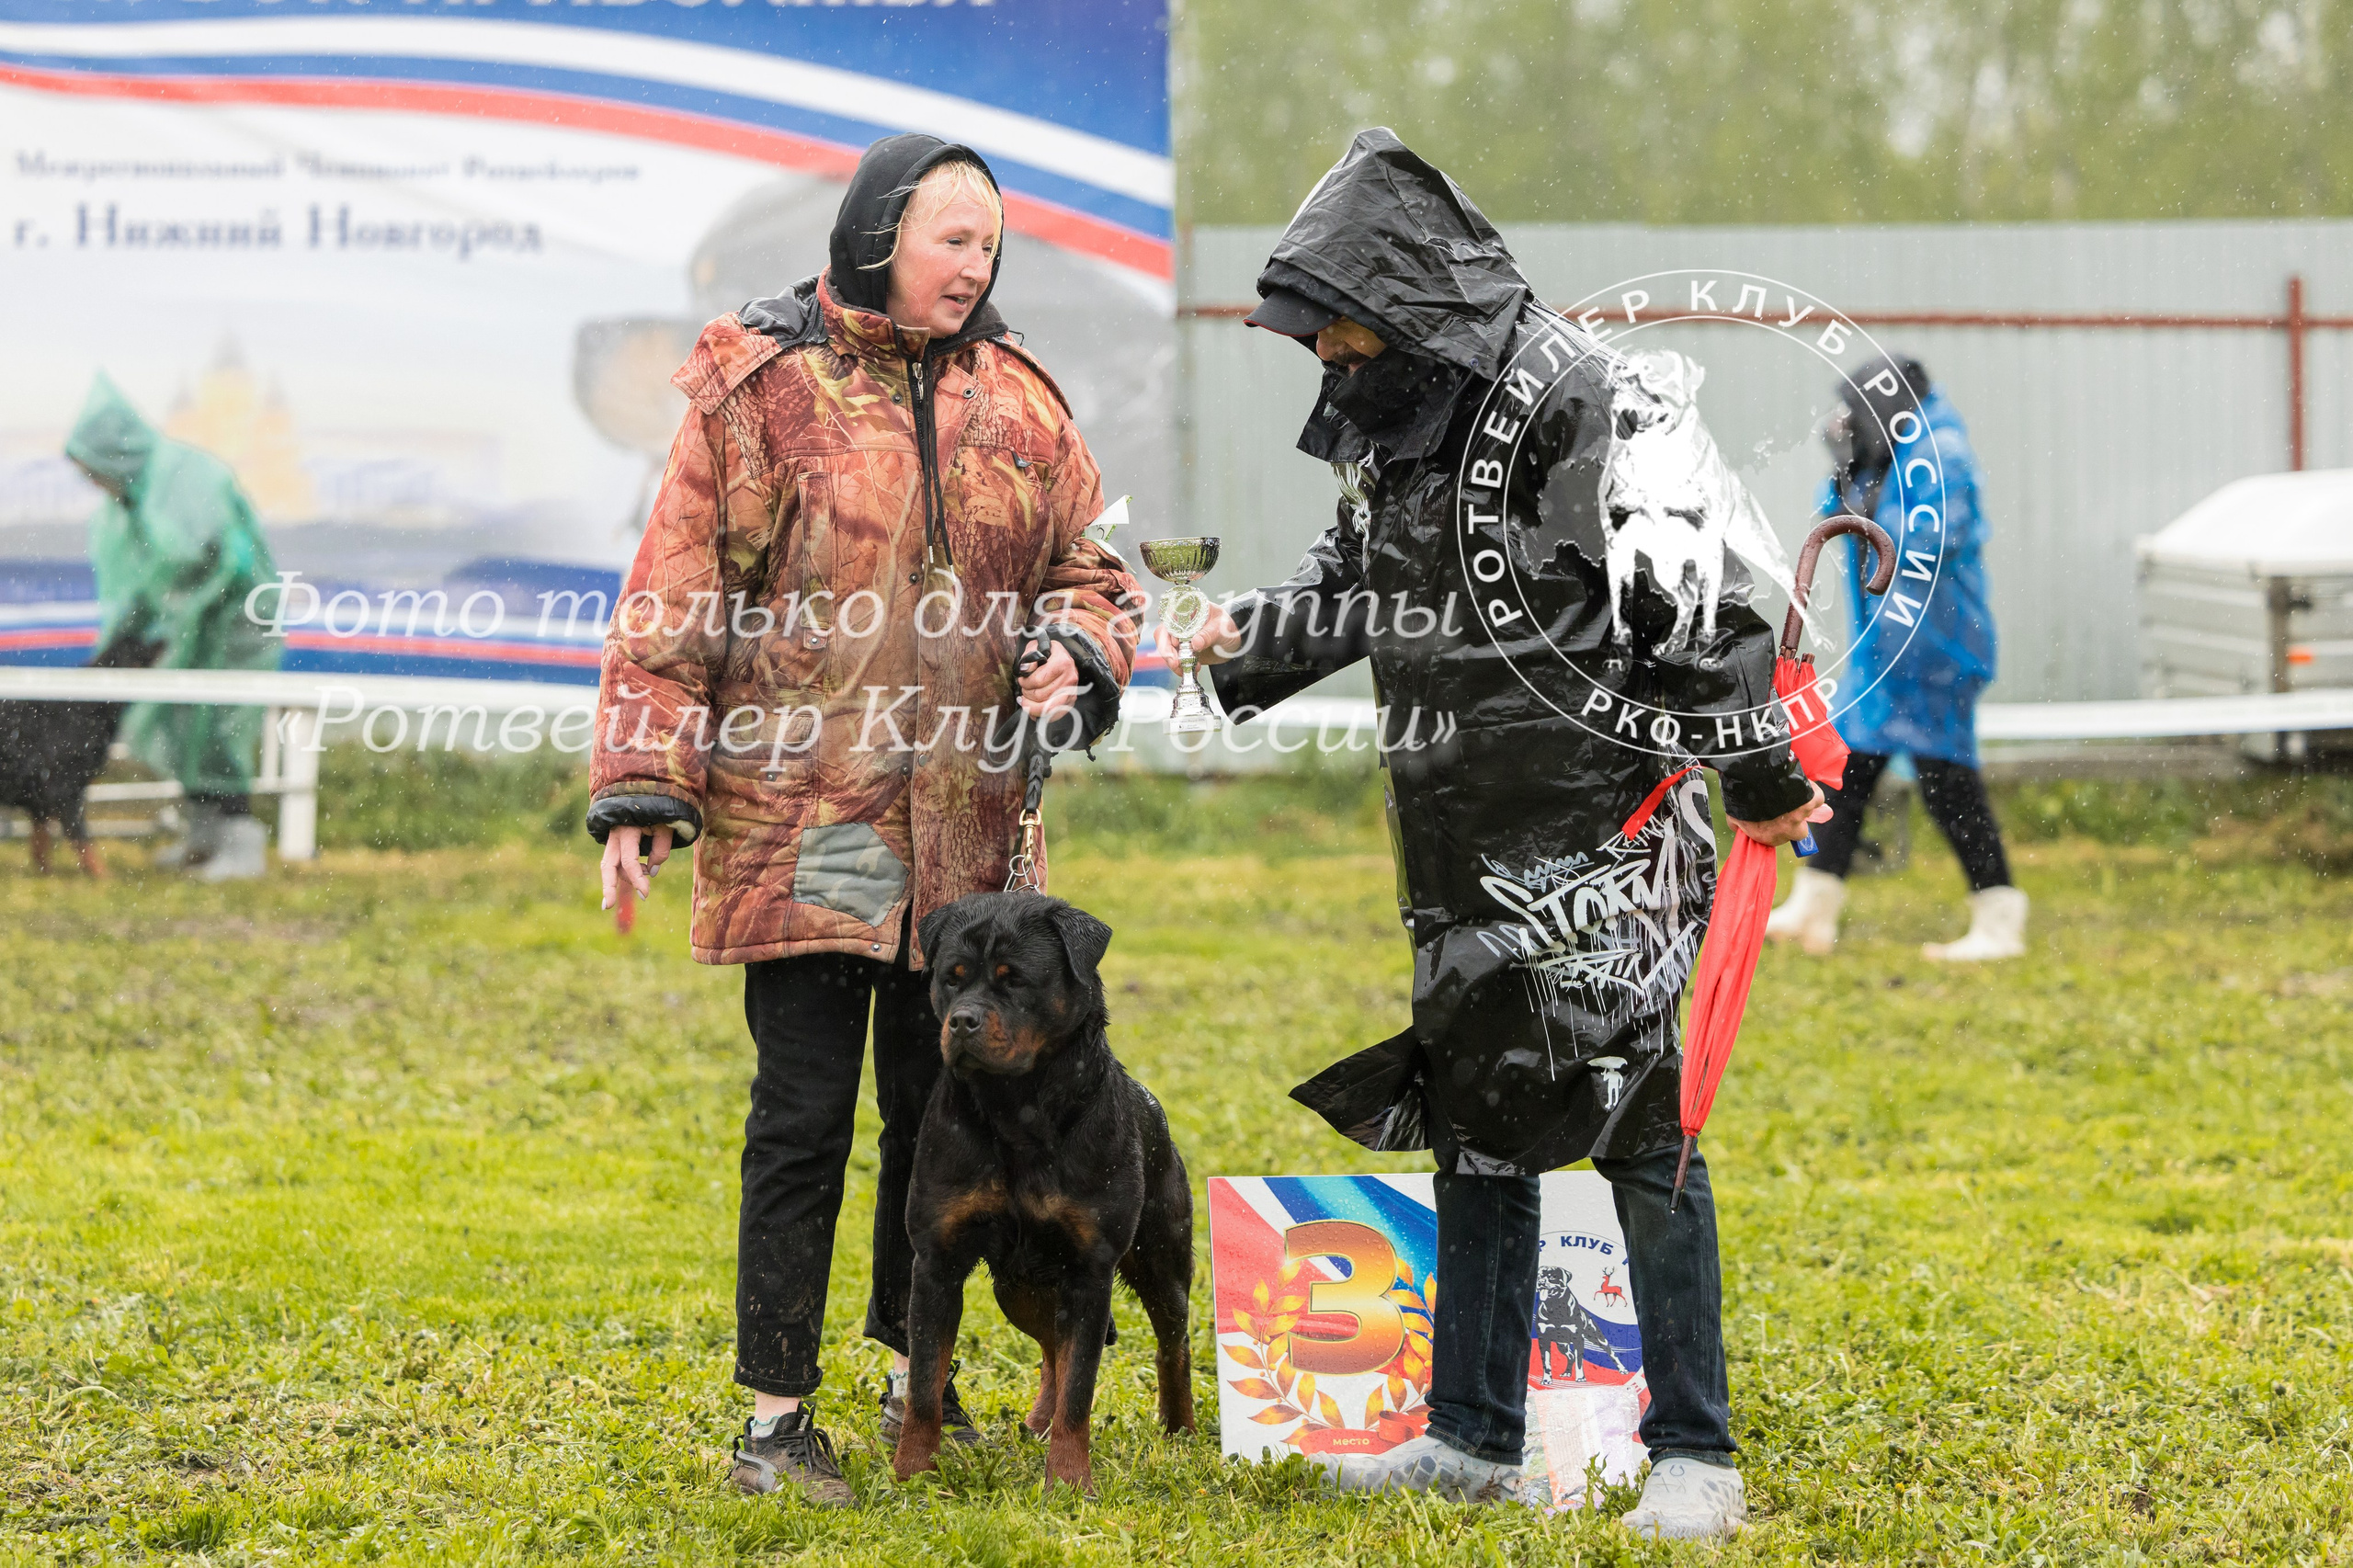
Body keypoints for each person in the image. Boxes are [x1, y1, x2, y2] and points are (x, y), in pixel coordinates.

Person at [1174, 130, 1826, 1542]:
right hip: (1463, 841)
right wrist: (1227, 645)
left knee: (1644, 1139)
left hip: (1615, 835)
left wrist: (1763, 776)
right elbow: (1355, 585)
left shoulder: (1582, 401)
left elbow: (1705, 606)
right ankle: (1469, 1438)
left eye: (1337, 325)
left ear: (1404, 299)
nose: (1325, 355)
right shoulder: (1401, 413)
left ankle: (1695, 1454)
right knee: (1480, 1127)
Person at [585, 134, 1140, 1509]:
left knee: (940, 1112)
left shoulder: (1021, 399)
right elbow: (673, 595)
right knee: (805, 1112)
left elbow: (1092, 565)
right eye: (955, 237)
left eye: (992, 242)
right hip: (813, 820)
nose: (980, 262)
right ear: (881, 229)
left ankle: (917, 1376)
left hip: (969, 835)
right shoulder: (762, 385)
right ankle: (777, 1420)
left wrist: (1081, 646)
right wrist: (645, 788)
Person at [1764, 356, 2024, 960]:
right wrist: (1845, 475)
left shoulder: (1941, 452)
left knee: (1948, 783)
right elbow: (1834, 520)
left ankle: (2000, 919)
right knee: (1848, 774)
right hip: (1885, 652)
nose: (1845, 420)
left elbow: (1926, 539)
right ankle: (1814, 906)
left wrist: (1863, 488)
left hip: (1936, 649)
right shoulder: (1892, 446)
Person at [64, 373, 279, 880]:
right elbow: (144, 586)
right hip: (187, 630)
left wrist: (177, 607)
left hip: (231, 626)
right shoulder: (134, 500)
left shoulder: (183, 478)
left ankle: (240, 844)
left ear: (112, 451)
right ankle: (204, 836)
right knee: (184, 725)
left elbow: (209, 555)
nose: (93, 483)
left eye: (92, 470)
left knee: (221, 724)